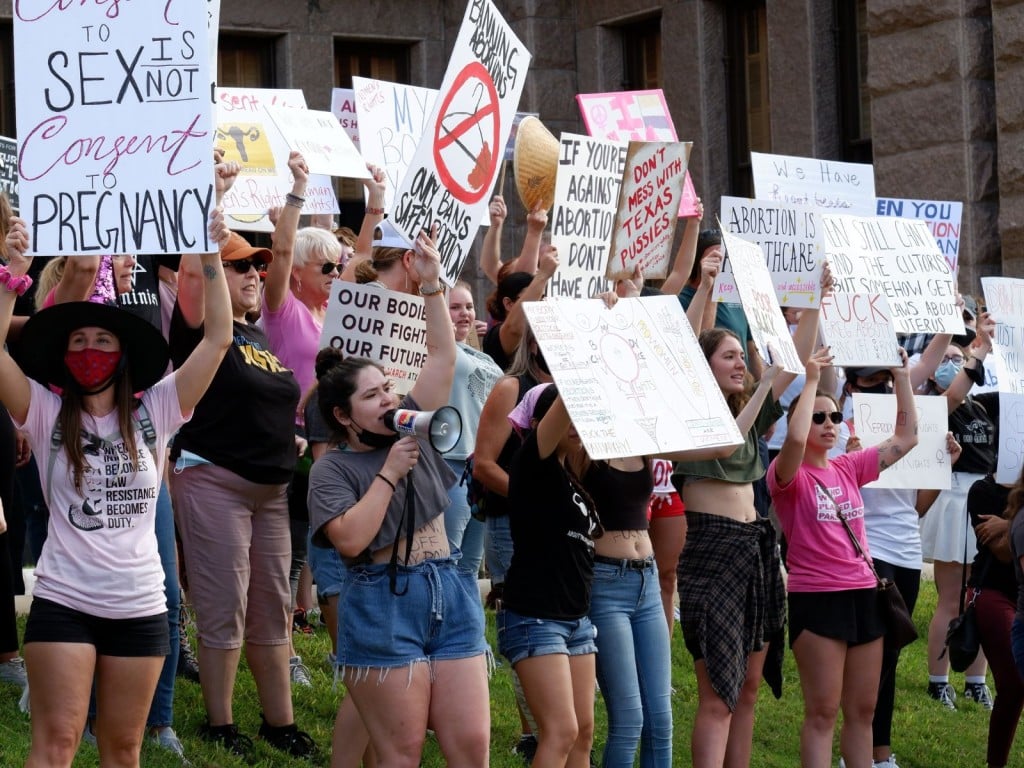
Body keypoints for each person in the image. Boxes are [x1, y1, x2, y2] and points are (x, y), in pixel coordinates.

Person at [2, 208, 232, 768]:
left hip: (140, 606)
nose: (89, 350)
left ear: (124, 353)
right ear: (61, 356)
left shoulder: (157, 407)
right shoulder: (44, 410)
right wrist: (11, 274)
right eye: (77, 341)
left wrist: (211, 256)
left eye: (102, 340)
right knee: (54, 748)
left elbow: (219, 339)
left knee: (123, 750)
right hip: (62, 601)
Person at [308, 226, 490, 768]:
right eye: (372, 396)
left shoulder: (416, 423)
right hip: (383, 601)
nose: (389, 399)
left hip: (449, 589)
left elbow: (441, 356)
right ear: (342, 416)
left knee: (471, 748)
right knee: (401, 753)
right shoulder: (335, 470)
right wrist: (388, 473)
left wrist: (432, 284)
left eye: (388, 387)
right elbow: (350, 541)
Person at [168, 226, 317, 758]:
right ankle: (221, 723)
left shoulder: (255, 338)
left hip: (271, 493)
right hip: (215, 480)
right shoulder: (199, 331)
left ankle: (280, 723)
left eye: (256, 267)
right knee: (222, 605)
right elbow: (191, 275)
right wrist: (209, 215)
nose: (254, 274)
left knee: (271, 608)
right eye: (239, 267)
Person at [672, 288, 824, 768]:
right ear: (705, 365)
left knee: (749, 688)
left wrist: (816, 298)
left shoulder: (752, 416)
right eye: (729, 356)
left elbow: (794, 363)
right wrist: (763, 384)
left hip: (756, 547)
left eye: (743, 355)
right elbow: (725, 439)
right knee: (719, 691)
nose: (740, 363)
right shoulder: (690, 415)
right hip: (712, 550)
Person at [768, 347, 919, 768]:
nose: (829, 424)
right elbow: (795, 440)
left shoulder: (849, 467)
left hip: (865, 594)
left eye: (834, 416)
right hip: (818, 599)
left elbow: (906, 439)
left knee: (863, 712)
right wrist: (812, 380)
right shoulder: (788, 475)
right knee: (822, 713)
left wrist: (902, 378)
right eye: (818, 417)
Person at [501, 383, 602, 768]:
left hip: (576, 621)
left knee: (582, 734)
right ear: (541, 425)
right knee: (560, 732)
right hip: (536, 617)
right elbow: (568, 398)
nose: (576, 424)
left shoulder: (570, 478)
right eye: (567, 416)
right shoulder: (533, 463)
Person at [919, 316, 998, 710]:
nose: (955, 360)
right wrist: (976, 347)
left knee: (980, 597)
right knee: (951, 597)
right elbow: (953, 392)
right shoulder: (934, 407)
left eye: (959, 355)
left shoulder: (984, 406)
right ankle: (938, 680)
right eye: (946, 357)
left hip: (984, 501)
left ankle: (976, 679)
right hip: (952, 501)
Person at [965, 474, 1024, 768]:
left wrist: (1008, 525)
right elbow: (1002, 552)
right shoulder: (983, 491)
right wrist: (1015, 524)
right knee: (1014, 682)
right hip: (992, 591)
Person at [445, 280, 503, 576]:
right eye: (454, 307)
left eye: (468, 306)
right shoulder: (437, 351)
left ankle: (467, 624)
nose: (464, 313)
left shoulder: (484, 357)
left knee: (469, 566)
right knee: (447, 559)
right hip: (449, 466)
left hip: (480, 469)